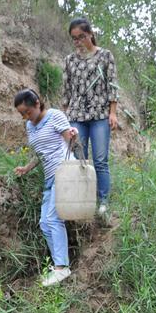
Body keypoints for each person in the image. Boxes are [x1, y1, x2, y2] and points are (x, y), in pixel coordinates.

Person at [13, 88, 77, 287]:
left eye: (27, 112)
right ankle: (60, 264)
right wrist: (26, 168)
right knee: (44, 222)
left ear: (37, 104)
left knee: (53, 218)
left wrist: (74, 135)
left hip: (64, 171)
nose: (25, 117)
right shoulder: (30, 127)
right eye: (22, 114)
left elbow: (71, 143)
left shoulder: (55, 116)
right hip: (49, 177)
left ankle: (61, 267)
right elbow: (40, 153)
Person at [62, 17, 119, 218]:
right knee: (80, 159)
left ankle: (103, 202)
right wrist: (64, 120)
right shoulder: (69, 60)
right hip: (76, 115)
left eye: (82, 37)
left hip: (100, 115)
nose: (78, 42)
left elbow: (112, 85)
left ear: (90, 34)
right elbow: (66, 91)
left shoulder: (105, 56)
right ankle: (85, 201)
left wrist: (113, 112)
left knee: (101, 159)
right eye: (74, 38)